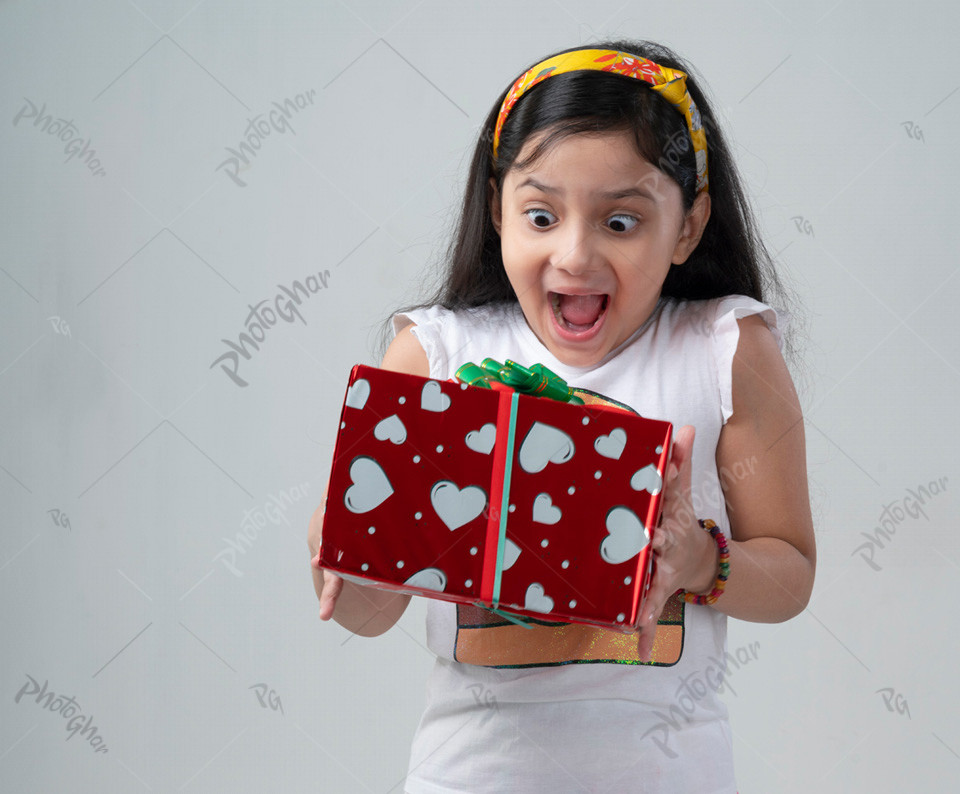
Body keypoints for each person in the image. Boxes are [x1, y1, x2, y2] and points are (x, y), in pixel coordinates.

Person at [308, 39, 815, 793]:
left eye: (621, 223)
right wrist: (349, 560)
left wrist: (697, 561)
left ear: (688, 225)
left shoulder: (724, 347)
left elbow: (792, 575)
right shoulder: (436, 352)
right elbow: (367, 615)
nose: (574, 256)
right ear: (496, 209)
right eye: (541, 215)